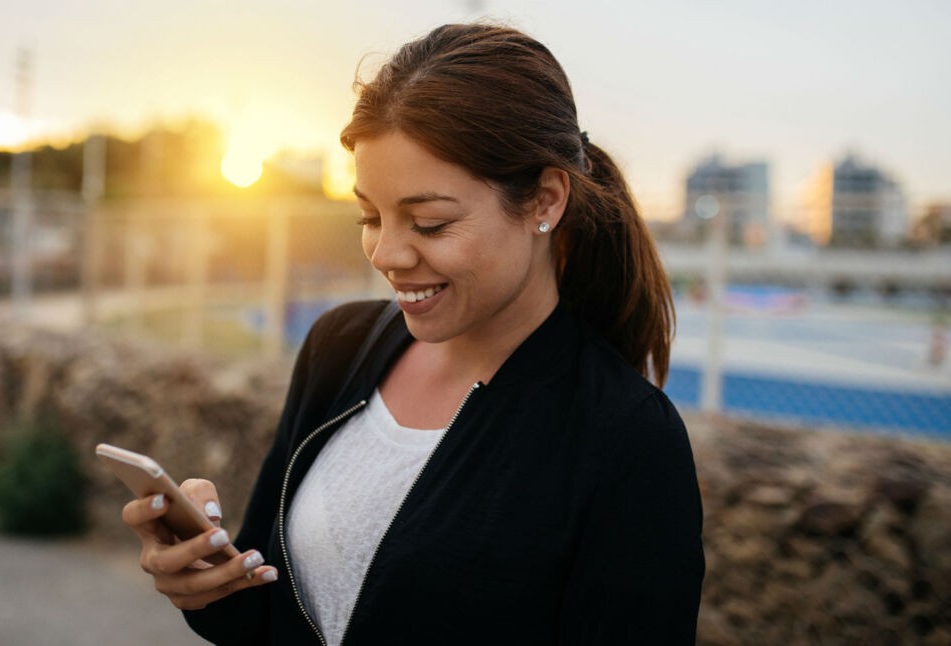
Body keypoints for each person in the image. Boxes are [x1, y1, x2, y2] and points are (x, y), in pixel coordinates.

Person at [121, 22, 704, 645]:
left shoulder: (628, 440)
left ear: (545, 201)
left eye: (429, 224)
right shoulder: (337, 347)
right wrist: (205, 585)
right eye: (370, 216)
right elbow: (263, 612)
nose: (387, 254)